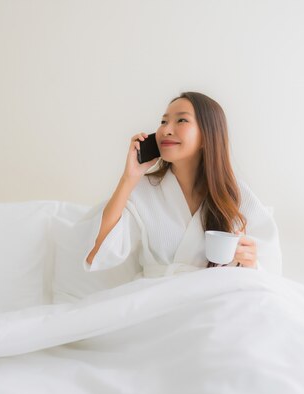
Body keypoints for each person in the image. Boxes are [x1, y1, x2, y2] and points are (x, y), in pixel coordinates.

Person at [81, 91, 282, 277]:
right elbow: (95, 253)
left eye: (181, 120)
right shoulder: (142, 191)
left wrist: (251, 262)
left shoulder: (236, 194)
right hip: (158, 300)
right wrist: (129, 178)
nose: (166, 130)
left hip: (216, 300)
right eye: (163, 121)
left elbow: (270, 271)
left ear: (207, 135)